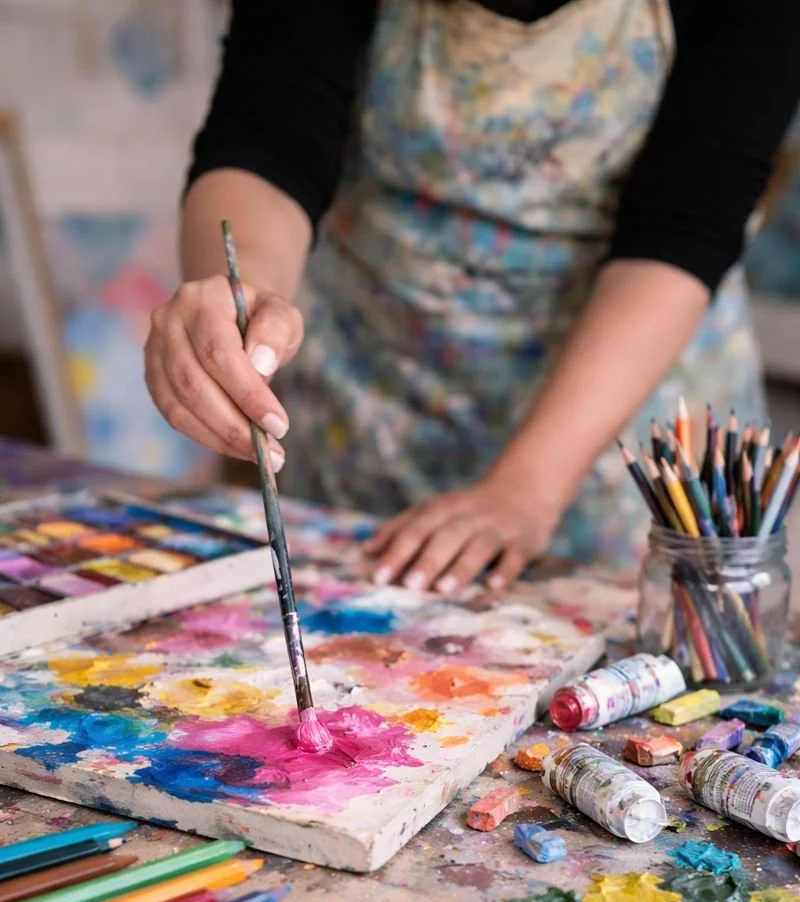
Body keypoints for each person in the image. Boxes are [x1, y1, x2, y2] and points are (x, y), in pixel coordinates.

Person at [146, 0, 800, 592]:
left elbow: (683, 229)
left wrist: (527, 488)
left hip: (622, 417)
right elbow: (269, 135)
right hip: (373, 400)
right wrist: (240, 295)